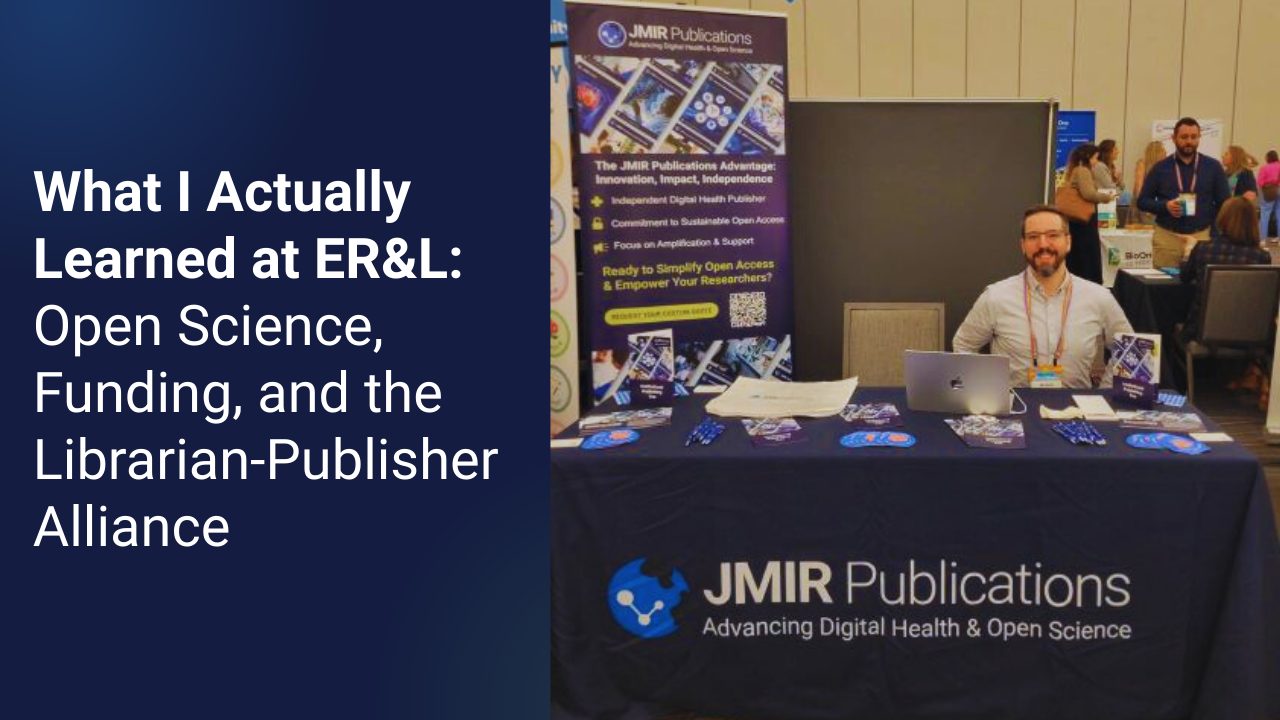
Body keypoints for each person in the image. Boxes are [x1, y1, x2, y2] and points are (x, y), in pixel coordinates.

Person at [953, 205, 1134, 389]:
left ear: (1068, 242)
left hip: (1075, 404)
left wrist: (1105, 393)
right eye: (1033, 237)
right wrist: (986, 392)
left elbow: (1130, 350)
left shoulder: (1098, 297)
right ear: (1023, 246)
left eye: (1053, 235)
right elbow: (963, 345)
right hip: (1015, 404)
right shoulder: (996, 297)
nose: (1043, 245)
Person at [1136, 117, 1231, 269]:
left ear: (1199, 138)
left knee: (1200, 282)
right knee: (1163, 282)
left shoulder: (1213, 167)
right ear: (1174, 138)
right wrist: (1165, 206)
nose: (1189, 141)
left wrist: (1213, 232)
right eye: (1184, 137)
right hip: (1167, 238)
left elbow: (1225, 203)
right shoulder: (1160, 168)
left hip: (1201, 237)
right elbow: (1142, 201)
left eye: (1194, 137)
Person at [1180, 197, 1272, 339]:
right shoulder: (1261, 257)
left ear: (1222, 218)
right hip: (1248, 334)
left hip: (1201, 331)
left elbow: (1185, 277)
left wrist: (1187, 253)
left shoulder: (1203, 249)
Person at [1062, 143, 1117, 284]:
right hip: (1085, 221)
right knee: (1088, 258)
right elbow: (1088, 194)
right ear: (1087, 157)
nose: (1096, 162)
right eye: (1095, 158)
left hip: (1076, 222)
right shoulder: (1083, 171)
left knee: (1077, 258)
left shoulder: (1074, 170)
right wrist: (1107, 197)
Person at [1133, 140, 1167, 224]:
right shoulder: (1142, 164)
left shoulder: (1163, 167)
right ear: (1157, 152)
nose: (1166, 153)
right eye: (1163, 150)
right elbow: (1138, 188)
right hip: (1145, 206)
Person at [1258, 150, 1280, 239]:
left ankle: (1263, 238)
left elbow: (1260, 182)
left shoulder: (1265, 168)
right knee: (1279, 213)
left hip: (1269, 190)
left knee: (1265, 214)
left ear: (1268, 158)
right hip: (1279, 189)